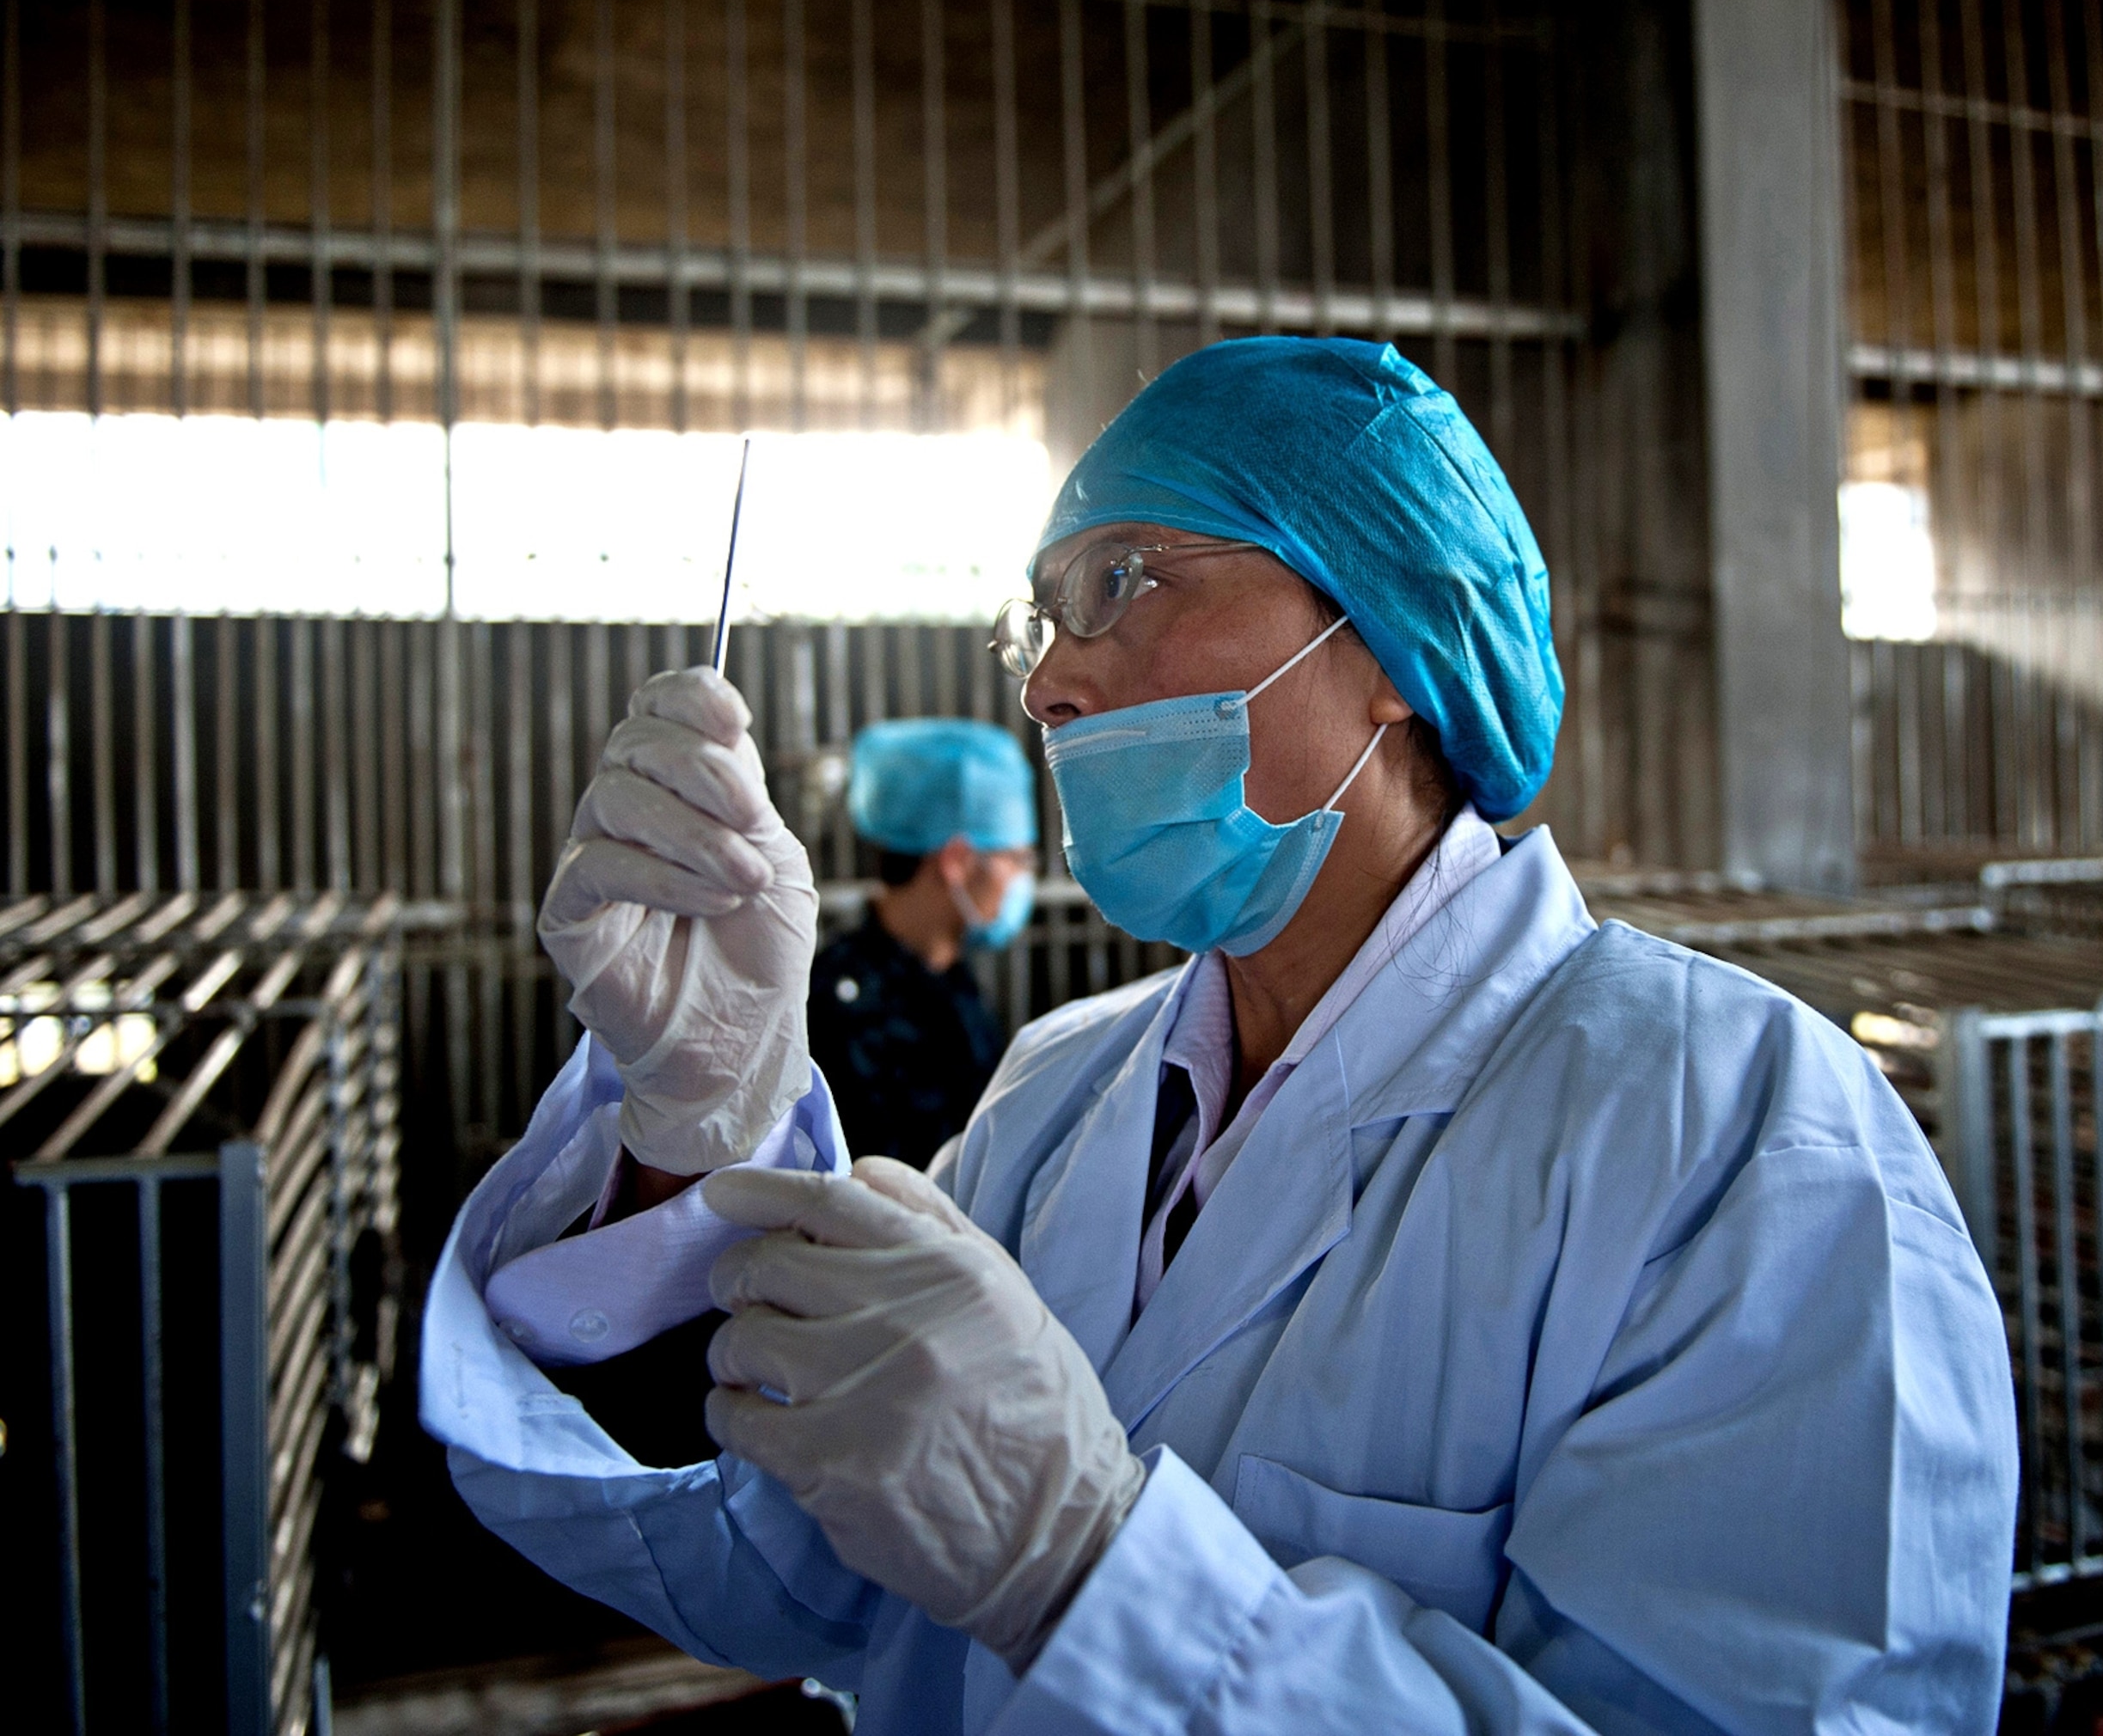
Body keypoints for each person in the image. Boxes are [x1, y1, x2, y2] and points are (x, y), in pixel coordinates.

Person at [424, 336, 2020, 1733]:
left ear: (1390, 643)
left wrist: (1086, 1570)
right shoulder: (1062, 1092)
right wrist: (700, 1122)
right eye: (1031, 624)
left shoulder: (1737, 1139)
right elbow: (798, 1570)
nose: (1045, 684)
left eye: (1118, 585)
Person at [810, 718, 1039, 1169]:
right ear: (956, 860)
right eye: (1013, 858)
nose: (1018, 879)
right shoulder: (841, 1003)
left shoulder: (950, 974)